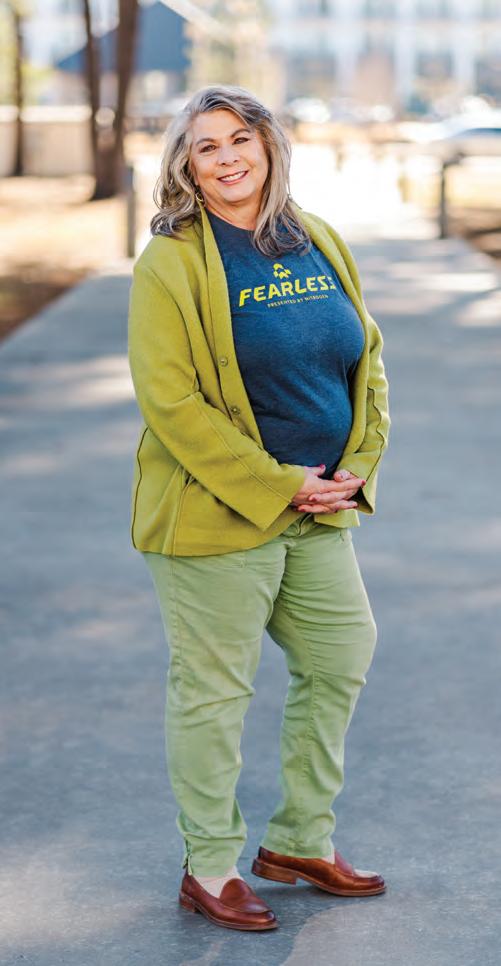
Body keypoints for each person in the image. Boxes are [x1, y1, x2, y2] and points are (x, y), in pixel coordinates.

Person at [127, 84, 390, 932]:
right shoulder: (171, 262)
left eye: (240, 138)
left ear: (269, 146)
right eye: (206, 146)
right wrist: (280, 481)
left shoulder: (316, 239)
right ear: (187, 166)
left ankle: (300, 841)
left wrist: (357, 463)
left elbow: (366, 359)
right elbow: (172, 404)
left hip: (318, 506)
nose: (227, 156)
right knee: (213, 691)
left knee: (340, 654)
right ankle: (209, 866)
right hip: (215, 514)